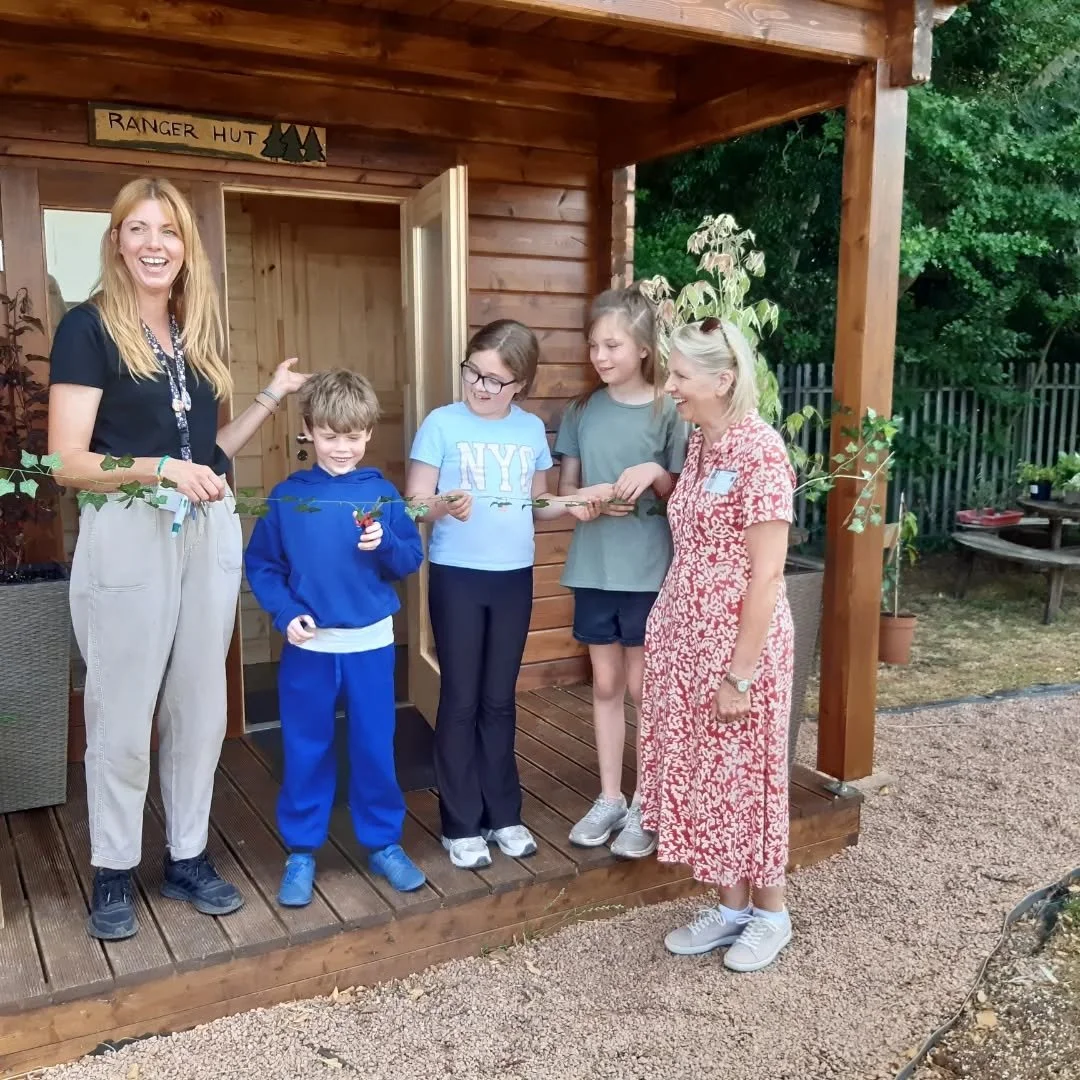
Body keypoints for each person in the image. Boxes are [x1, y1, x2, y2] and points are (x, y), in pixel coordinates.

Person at [48, 177, 307, 941]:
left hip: (205, 527)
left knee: (200, 704)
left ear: (186, 245)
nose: (154, 243)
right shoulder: (87, 329)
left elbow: (208, 456)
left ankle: (187, 856)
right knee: (122, 710)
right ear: (118, 242)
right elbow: (66, 461)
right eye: (139, 229)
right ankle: (114, 870)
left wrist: (266, 399)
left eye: (169, 230)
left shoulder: (193, 334)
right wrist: (158, 469)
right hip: (128, 527)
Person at [406, 320, 599, 870]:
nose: (482, 387)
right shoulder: (442, 423)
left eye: (496, 380)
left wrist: (578, 503)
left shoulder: (531, 431)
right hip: (457, 575)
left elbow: (539, 503)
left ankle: (504, 814)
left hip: (514, 576)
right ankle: (460, 823)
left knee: (499, 697)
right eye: (475, 372)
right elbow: (416, 502)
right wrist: (444, 504)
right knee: (461, 697)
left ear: (521, 384)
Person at [639, 317, 796, 973]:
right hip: (685, 644)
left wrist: (740, 675)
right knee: (710, 778)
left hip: (739, 652)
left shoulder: (762, 454)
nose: (670, 386)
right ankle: (731, 909)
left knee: (749, 781)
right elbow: (698, 527)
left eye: (680, 375)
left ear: (722, 379)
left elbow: (766, 576)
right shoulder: (702, 445)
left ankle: (772, 914)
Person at [245, 370, 426, 904]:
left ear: (367, 433)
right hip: (309, 651)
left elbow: (409, 558)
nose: (341, 447)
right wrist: (284, 612)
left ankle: (384, 843)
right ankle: (301, 851)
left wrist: (383, 543)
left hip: (371, 647)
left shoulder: (382, 493)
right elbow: (263, 567)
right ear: (308, 431)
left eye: (352, 436)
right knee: (306, 749)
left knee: (374, 748)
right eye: (330, 435)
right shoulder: (287, 498)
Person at [554, 286, 687, 857]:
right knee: (606, 684)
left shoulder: (670, 409)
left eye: (612, 344)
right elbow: (562, 495)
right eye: (593, 346)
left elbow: (684, 498)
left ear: (642, 347)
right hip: (593, 567)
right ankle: (610, 797)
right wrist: (581, 499)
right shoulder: (581, 412)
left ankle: (646, 803)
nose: (601, 356)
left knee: (642, 687)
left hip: (650, 571)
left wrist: (655, 471)